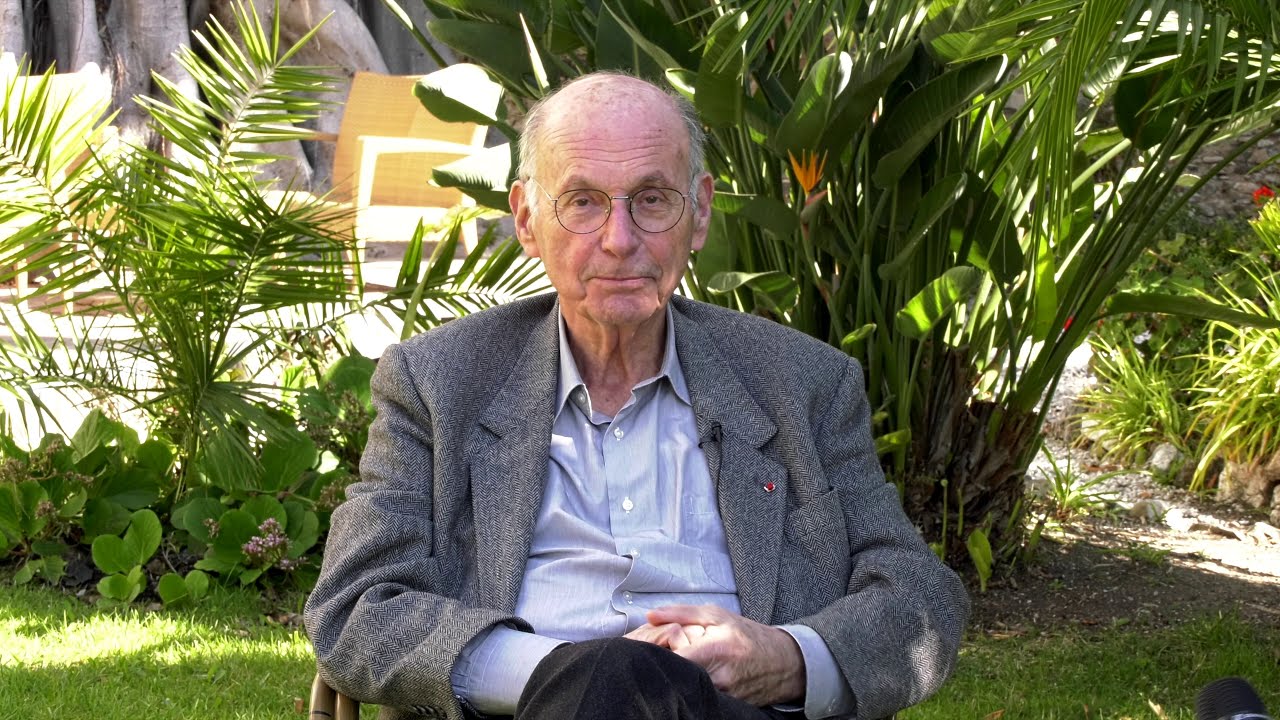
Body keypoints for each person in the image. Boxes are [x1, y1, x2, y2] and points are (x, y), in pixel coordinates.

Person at [304, 71, 969, 720]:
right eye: (582, 202)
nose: (619, 241)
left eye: (651, 200)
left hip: (730, 709)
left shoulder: (802, 383)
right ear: (528, 220)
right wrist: (566, 673)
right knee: (617, 679)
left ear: (699, 213)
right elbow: (355, 606)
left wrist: (784, 657)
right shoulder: (438, 382)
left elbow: (921, 597)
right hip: (530, 706)